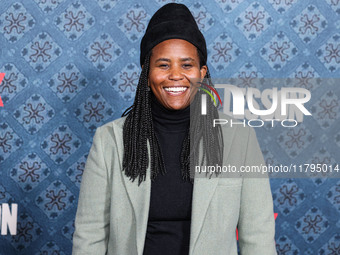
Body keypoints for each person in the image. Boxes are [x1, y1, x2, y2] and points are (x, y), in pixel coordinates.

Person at [72, 3, 277, 255]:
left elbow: (258, 238)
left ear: (201, 73)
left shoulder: (239, 139)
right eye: (164, 65)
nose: (176, 75)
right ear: (147, 74)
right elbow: (90, 236)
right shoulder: (109, 140)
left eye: (187, 65)